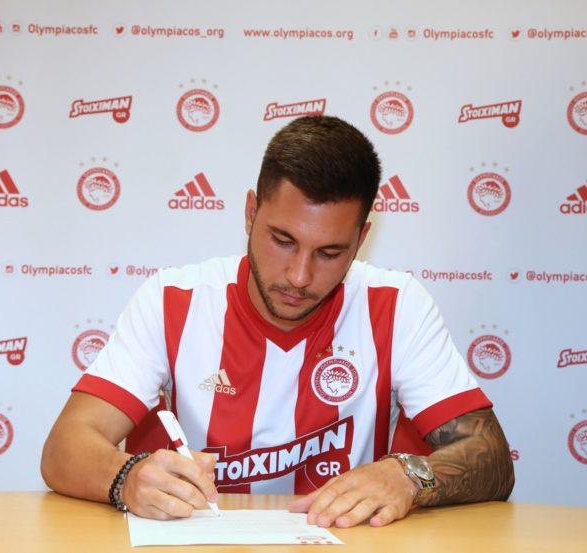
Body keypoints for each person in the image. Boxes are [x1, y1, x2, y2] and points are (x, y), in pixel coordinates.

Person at [41, 115, 514, 528]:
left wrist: (407, 475)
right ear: (251, 213)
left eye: (330, 252)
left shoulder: (396, 305)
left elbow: (492, 458)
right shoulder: (173, 300)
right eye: (283, 241)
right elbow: (64, 447)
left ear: (361, 238)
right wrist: (125, 476)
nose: (299, 276)